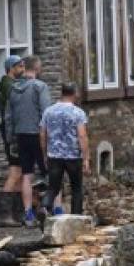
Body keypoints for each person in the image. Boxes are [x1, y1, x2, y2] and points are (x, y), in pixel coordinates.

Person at [4, 55, 51, 226]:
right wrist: (49, 137)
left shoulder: (13, 89)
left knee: (26, 175)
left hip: (21, 136)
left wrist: (11, 139)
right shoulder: (41, 87)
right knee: (49, 173)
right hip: (39, 135)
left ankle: (28, 214)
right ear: (37, 69)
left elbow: (8, 117)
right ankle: (51, 210)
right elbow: (46, 114)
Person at [39, 82, 89, 216]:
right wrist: (85, 158)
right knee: (76, 188)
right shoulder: (78, 113)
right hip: (73, 156)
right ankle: (76, 218)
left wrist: (44, 154)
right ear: (74, 93)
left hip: (54, 155)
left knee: (53, 188)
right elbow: (82, 136)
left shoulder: (48, 111)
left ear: (62, 93)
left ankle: (44, 207)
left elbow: (43, 134)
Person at [0, 55, 25, 226]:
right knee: (15, 172)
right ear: (11, 68)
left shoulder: (12, 85)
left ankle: (18, 213)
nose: (23, 69)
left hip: (15, 134)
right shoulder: (9, 86)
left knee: (21, 173)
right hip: (12, 135)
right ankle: (4, 214)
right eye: (20, 66)